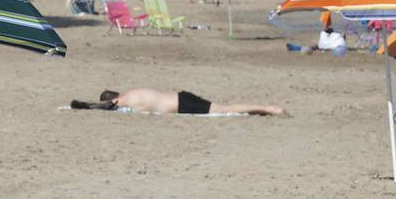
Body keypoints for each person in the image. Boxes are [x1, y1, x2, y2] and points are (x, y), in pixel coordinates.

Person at [82, 88, 285, 116]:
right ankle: (265, 109)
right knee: (224, 108)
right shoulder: (133, 92)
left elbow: (101, 107)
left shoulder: (122, 101)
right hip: (180, 98)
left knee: (225, 109)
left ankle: (268, 109)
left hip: (182, 105)